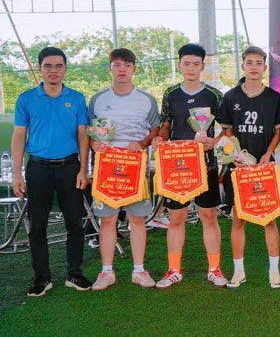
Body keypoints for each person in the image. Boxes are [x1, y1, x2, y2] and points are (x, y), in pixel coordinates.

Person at [11, 46, 92, 296]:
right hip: (38, 168)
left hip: (69, 167)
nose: (53, 71)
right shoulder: (26, 99)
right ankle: (42, 278)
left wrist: (83, 169)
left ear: (65, 69)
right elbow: (19, 137)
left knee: (74, 223)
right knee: (37, 226)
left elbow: (83, 137)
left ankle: (75, 273)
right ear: (40, 69)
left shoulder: (77, 98)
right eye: (48, 66)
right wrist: (17, 173)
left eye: (58, 66)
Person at [151, 43, 227, 289]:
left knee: (209, 217)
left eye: (196, 64)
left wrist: (212, 143)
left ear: (203, 66)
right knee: (176, 219)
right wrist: (160, 138)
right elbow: (165, 124)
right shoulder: (170, 93)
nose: (191, 68)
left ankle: (215, 269)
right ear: (180, 65)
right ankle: (174, 270)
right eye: (186, 63)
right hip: (178, 168)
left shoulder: (215, 95)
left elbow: (227, 130)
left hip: (206, 166)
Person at [88, 48, 160, 290]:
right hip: (106, 167)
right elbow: (90, 133)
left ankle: (139, 270)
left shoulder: (146, 100)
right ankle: (106, 272)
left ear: (134, 69)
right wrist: (94, 144)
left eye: (127, 65)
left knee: (136, 219)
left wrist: (141, 143)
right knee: (107, 220)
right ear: (110, 68)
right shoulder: (98, 99)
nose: (122, 69)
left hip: (135, 167)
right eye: (117, 64)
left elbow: (154, 131)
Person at [218, 46, 280, 289]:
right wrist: (234, 155)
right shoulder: (231, 97)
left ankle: (274, 272)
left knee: (270, 220)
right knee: (238, 219)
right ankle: (238, 272)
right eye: (250, 62)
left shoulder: (275, 98)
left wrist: (268, 153)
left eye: (259, 63)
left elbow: (278, 132)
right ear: (243, 66)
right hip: (239, 169)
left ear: (265, 68)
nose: (254, 67)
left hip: (266, 168)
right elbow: (227, 132)